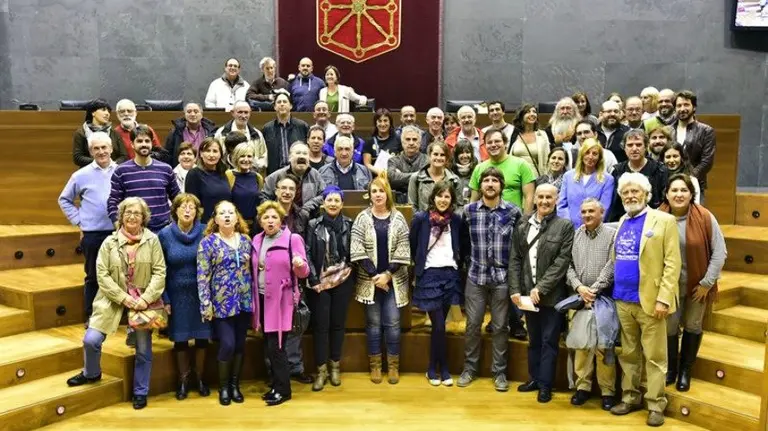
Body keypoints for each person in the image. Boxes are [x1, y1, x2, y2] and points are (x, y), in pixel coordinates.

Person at [65, 197, 165, 411]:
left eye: (137, 213)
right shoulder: (108, 243)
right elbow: (101, 275)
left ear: (144, 218)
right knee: (91, 340)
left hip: (142, 301)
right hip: (112, 299)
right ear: (121, 216)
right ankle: (91, 373)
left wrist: (145, 299)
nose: (132, 216)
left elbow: (159, 272)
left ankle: (140, 391)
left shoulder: (152, 240)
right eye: (128, 212)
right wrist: (123, 298)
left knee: (144, 348)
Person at [609, 173, 681, 428]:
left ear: (646, 194)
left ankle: (655, 404)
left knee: (654, 357)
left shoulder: (664, 220)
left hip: (651, 302)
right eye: (626, 192)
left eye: (635, 192)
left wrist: (664, 299)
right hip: (622, 299)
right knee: (628, 354)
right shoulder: (620, 221)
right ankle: (630, 398)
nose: (630, 196)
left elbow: (673, 264)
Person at [659, 174, 726, 392]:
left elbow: (719, 252)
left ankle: (685, 371)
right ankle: (670, 370)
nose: (679, 194)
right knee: (669, 327)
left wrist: (707, 283)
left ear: (691, 194)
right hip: (668, 288)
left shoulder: (705, 217)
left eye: (683, 190)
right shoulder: (657, 217)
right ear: (667, 194)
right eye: (674, 190)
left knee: (692, 325)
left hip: (698, 286)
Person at [458, 167, 523, 392]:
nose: (490, 184)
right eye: (486, 180)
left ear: (501, 186)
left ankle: (500, 372)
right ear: (481, 185)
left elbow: (519, 247)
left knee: (500, 327)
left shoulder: (514, 212)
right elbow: (462, 242)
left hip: (502, 278)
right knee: (473, 325)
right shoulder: (469, 211)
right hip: (476, 276)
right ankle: (469, 368)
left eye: (495, 180)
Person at [510, 184, 574, 403]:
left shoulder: (565, 226)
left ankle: (546, 385)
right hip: (528, 295)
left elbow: (562, 262)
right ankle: (535, 378)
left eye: (549, 197)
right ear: (534, 199)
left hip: (552, 297)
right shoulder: (522, 225)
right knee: (534, 340)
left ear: (556, 200)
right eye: (541, 197)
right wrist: (515, 289)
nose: (545, 201)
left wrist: (541, 288)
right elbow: (515, 259)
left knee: (549, 341)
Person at [351, 172, 411, 385]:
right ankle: (375, 365)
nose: (378, 194)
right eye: (374, 191)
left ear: (387, 194)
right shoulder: (362, 218)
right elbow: (357, 251)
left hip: (394, 280)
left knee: (393, 323)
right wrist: (376, 277)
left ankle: (393, 366)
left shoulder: (398, 218)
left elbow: (404, 250)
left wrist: (387, 275)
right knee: (373, 324)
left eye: (381, 191)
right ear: (369, 195)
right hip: (370, 281)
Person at [251, 200, 310, 406]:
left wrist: (299, 265)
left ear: (281, 220)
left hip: (281, 302)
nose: (270, 221)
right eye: (265, 217)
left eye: (274, 217)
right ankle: (276, 385)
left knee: (277, 347)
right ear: (260, 221)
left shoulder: (292, 239)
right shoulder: (257, 240)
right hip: (261, 299)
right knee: (269, 346)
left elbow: (304, 272)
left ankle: (284, 390)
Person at [197, 201, 254, 406]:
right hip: (221, 302)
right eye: (222, 213)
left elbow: (252, 269)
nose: (227, 216)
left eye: (231, 212)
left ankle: (234, 385)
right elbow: (203, 275)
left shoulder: (246, 240)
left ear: (237, 217)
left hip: (244, 299)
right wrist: (206, 304)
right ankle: (223, 387)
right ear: (216, 218)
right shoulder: (208, 242)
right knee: (227, 344)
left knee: (239, 344)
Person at [58, 132, 117, 322]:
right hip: (93, 233)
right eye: (96, 148)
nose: (101, 152)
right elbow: (64, 199)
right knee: (93, 275)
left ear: (111, 149)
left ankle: (119, 315)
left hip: (119, 232)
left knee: (120, 274)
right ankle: (92, 316)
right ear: (90, 151)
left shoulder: (122, 171)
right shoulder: (80, 175)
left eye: (104, 147)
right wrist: (79, 221)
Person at [158, 194, 211, 400]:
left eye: (192, 208)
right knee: (180, 340)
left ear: (197, 212)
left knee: (201, 338)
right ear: (175, 211)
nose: (187, 211)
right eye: (183, 207)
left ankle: (200, 378)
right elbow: (159, 269)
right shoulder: (164, 235)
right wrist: (165, 298)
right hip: (176, 294)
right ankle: (183, 379)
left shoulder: (207, 231)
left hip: (201, 295)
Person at [566, 198, 617, 410]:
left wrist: (593, 290)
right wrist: (579, 287)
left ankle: (607, 391)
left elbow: (612, 265)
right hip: (579, 299)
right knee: (581, 345)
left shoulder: (611, 235)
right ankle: (583, 387)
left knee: (604, 346)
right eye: (584, 212)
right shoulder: (576, 235)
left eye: (591, 212)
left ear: (601, 213)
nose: (587, 215)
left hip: (603, 298)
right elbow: (567, 265)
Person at [410, 182, 463, 386]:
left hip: (450, 275)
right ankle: (441, 368)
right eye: (440, 196)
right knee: (439, 325)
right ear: (433, 198)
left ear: (452, 200)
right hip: (429, 276)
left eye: (447, 197)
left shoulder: (456, 221)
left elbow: (462, 245)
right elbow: (414, 244)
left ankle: (435, 366)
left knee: (440, 327)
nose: (443, 200)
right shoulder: (422, 219)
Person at [304, 186, 355, 391]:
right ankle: (321, 369)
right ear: (323, 203)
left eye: (337, 200)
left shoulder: (349, 224)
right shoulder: (313, 225)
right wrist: (314, 279)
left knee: (337, 324)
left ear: (342, 204)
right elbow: (307, 251)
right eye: (329, 200)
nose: (333, 204)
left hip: (344, 279)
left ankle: (335, 365)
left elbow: (355, 251)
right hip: (320, 282)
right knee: (321, 326)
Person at [108, 125, 180, 233]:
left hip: (163, 230)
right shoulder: (121, 171)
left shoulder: (166, 169)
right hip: (134, 232)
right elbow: (112, 202)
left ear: (151, 143)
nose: (144, 144)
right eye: (139, 141)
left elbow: (178, 199)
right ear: (132, 144)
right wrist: (118, 226)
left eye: (147, 141)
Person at [469, 128, 536, 213]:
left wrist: (525, 222)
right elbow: (474, 200)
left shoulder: (521, 165)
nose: (493, 145)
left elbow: (529, 197)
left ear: (505, 143)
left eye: (497, 141)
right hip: (485, 220)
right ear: (485, 145)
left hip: (513, 220)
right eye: (489, 142)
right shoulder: (479, 168)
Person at [608, 130, 668, 222]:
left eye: (639, 144)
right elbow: (615, 205)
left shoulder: (660, 170)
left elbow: (665, 202)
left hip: (654, 220)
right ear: (624, 148)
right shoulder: (617, 171)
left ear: (646, 147)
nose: (634, 148)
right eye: (630, 145)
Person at [557, 139, 615, 228]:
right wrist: (569, 224)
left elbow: (604, 209)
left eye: (595, 154)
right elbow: (561, 205)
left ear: (599, 158)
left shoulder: (607, 179)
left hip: (593, 229)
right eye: (587, 152)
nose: (590, 156)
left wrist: (588, 226)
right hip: (568, 228)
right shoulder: (568, 176)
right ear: (581, 154)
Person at [670, 90, 716, 200]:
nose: (682, 109)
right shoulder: (668, 130)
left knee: (696, 216)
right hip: (670, 184)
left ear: (694, 107)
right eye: (679, 105)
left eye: (686, 105)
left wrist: (689, 177)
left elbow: (707, 161)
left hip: (695, 184)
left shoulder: (706, 131)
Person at [262, 141, 326, 217]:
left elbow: (324, 195)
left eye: (305, 154)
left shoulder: (315, 175)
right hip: (282, 219)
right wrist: (276, 211)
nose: (302, 156)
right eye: (298, 153)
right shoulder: (276, 176)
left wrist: (308, 206)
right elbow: (263, 197)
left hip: (309, 220)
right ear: (290, 158)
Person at [185, 138, 232, 224]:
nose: (211, 155)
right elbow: (191, 205)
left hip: (224, 224)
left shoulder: (223, 173)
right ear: (201, 154)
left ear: (220, 155)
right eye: (207, 151)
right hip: (204, 225)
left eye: (215, 151)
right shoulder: (194, 174)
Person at [262, 93, 310, 174]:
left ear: (291, 106)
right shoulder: (267, 128)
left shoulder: (302, 126)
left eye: (284, 101)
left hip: (297, 171)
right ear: (274, 107)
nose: (282, 104)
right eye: (279, 102)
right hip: (274, 172)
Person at [214, 101, 267, 172]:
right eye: (240, 112)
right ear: (232, 113)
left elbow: (264, 157)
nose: (243, 116)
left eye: (246, 112)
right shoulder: (221, 133)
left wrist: (250, 167)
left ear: (250, 113)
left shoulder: (257, 134)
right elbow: (217, 156)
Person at [409, 141, 462, 212]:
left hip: (448, 222)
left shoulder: (455, 180)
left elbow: (459, 206)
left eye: (442, 155)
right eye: (435, 154)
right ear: (429, 156)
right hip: (423, 221)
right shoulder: (416, 178)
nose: (439, 157)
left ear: (446, 158)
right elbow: (412, 206)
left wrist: (452, 221)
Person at [72, 98, 126, 167]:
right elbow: (77, 158)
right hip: (89, 172)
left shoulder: (114, 133)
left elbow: (124, 156)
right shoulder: (81, 133)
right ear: (93, 112)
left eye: (108, 111)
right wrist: (100, 161)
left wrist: (111, 164)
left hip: (112, 171)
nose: (107, 113)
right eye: (103, 110)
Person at [226, 143, 264, 234]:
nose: (246, 159)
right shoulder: (228, 175)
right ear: (236, 157)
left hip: (253, 227)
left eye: (249, 156)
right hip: (234, 226)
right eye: (242, 156)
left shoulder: (257, 177)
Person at [387, 125, 428, 202]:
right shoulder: (393, 161)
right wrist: (418, 174)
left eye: (414, 139)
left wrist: (400, 176)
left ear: (420, 142)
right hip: (398, 201)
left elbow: (425, 179)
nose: (411, 143)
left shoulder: (427, 160)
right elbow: (392, 179)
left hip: (421, 201)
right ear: (402, 142)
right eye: (408, 139)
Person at [510, 104, 551, 176]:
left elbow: (547, 160)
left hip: (535, 177)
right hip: (516, 176)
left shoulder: (542, 135)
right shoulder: (514, 134)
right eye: (528, 112)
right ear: (521, 116)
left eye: (534, 112)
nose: (532, 114)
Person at [363, 108, 401, 177]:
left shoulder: (398, 140)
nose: (383, 124)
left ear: (390, 122)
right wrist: (381, 172)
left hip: (394, 178)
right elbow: (367, 164)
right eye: (380, 121)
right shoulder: (369, 141)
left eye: (385, 121)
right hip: (376, 179)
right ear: (376, 123)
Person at [451, 139, 479, 207]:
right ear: (456, 155)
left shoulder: (477, 171)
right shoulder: (450, 172)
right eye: (461, 153)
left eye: (467, 152)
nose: (465, 156)